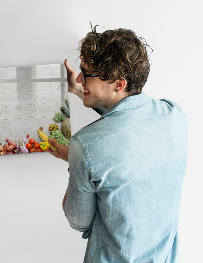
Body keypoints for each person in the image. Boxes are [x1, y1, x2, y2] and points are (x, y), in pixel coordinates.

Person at [49, 28, 188, 262]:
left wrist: (76, 160)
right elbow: (128, 122)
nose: (80, 78)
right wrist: (80, 91)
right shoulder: (174, 115)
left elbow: (78, 221)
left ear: (119, 83)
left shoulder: (85, 146)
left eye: (86, 74)